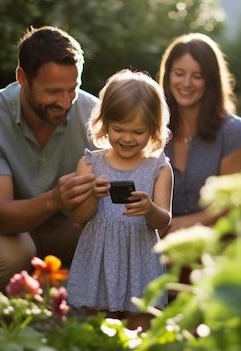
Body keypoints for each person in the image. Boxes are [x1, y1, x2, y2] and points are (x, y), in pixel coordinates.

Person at [0, 26, 99, 292]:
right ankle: (1, 327)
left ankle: (103, 327)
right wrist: (54, 199)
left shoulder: (95, 115)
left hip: (71, 226)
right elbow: (2, 214)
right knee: (10, 255)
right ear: (22, 78)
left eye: (73, 89)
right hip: (10, 227)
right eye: (53, 92)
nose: (65, 102)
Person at [66, 69, 173, 331]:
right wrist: (92, 194)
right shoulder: (90, 163)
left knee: (140, 330)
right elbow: (78, 218)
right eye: (118, 129)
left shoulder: (159, 167)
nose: (127, 138)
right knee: (97, 329)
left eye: (138, 131)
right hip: (99, 259)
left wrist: (149, 209)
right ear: (104, 123)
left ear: (153, 129)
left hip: (140, 259)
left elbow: (164, 221)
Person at [158, 32, 241, 237]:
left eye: (197, 76)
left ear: (210, 81)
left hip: (219, 246)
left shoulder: (234, 132)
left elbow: (231, 205)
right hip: (159, 250)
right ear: (168, 76)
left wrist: (177, 226)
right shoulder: (152, 130)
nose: (186, 83)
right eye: (179, 73)